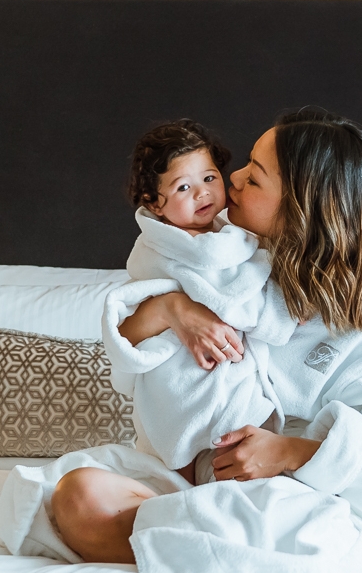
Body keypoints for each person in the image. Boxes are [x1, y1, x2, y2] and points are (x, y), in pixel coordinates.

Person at [0, 109, 362, 573]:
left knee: (267, 512)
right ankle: (249, 544)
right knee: (77, 497)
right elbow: (130, 356)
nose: (232, 177)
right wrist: (171, 310)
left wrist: (290, 452)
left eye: (256, 176)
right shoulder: (221, 266)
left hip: (294, 497)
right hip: (195, 478)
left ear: (298, 207)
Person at [107, 119, 294, 476]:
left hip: (230, 379)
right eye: (183, 187)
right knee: (181, 459)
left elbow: (252, 281)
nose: (202, 193)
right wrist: (277, 315)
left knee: (234, 459)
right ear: (154, 203)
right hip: (179, 377)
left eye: (209, 178)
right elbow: (234, 299)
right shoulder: (164, 249)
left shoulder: (235, 236)